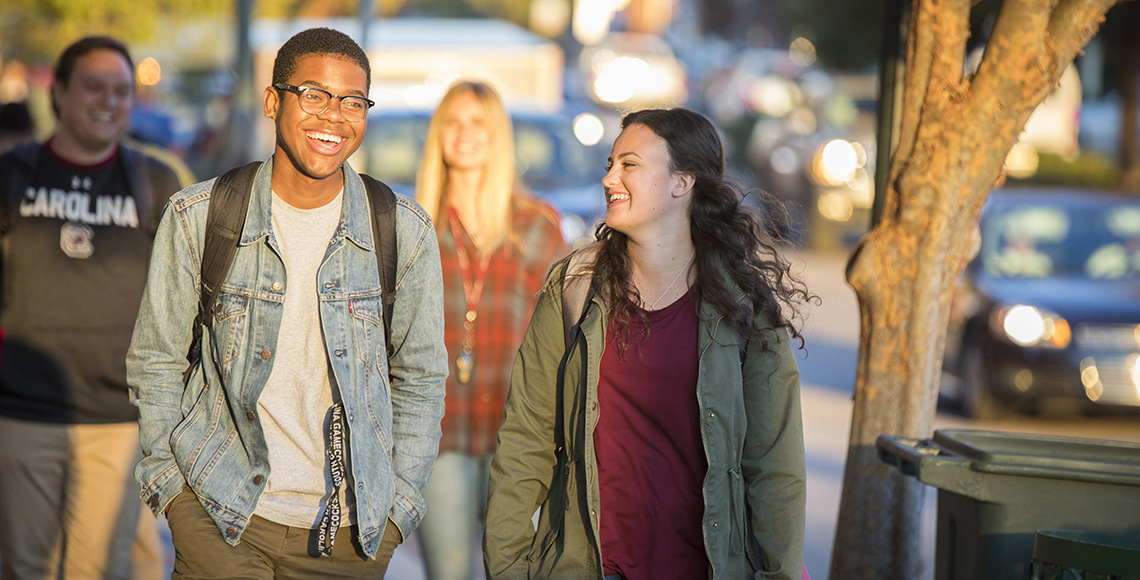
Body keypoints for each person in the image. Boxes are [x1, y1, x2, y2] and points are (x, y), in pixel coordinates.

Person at [126, 27, 447, 577]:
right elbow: (155, 362)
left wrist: (396, 513)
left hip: (350, 537)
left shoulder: (402, 230)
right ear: (274, 102)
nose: (334, 117)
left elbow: (419, 380)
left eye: (352, 101)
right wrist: (174, 497)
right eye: (315, 95)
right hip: (220, 518)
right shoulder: (198, 217)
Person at [484, 108, 813, 579]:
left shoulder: (744, 309)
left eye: (629, 165)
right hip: (591, 566)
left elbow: (775, 466)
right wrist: (508, 566)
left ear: (682, 182)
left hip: (706, 567)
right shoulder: (575, 287)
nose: (609, 178)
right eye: (610, 164)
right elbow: (526, 438)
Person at [0, 36, 183, 579]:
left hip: (118, 419)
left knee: (98, 570)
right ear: (58, 91)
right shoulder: (11, 175)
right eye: (94, 87)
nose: (109, 101)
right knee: (22, 567)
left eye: (122, 90)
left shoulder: (154, 181)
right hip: (21, 412)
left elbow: (179, 300)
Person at [413, 81, 568, 580]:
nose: (464, 134)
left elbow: (571, 334)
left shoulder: (538, 225)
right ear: (437, 134)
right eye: (452, 123)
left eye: (477, 123)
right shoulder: (413, 227)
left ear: (497, 134)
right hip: (441, 435)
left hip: (521, 437)